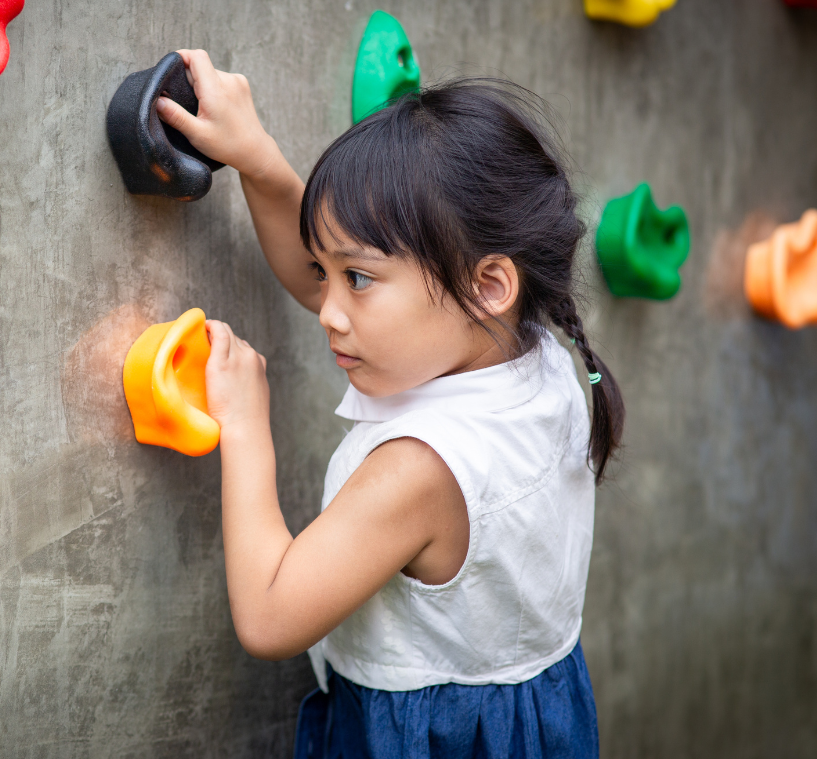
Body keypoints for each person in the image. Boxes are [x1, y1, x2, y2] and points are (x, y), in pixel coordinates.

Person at [155, 49, 623, 758]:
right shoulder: (536, 353)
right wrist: (259, 162)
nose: (328, 311)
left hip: (427, 738)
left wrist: (247, 425)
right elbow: (332, 283)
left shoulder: (420, 471)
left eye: (359, 280)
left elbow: (272, 615)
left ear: (488, 285)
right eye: (327, 271)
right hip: (537, 714)